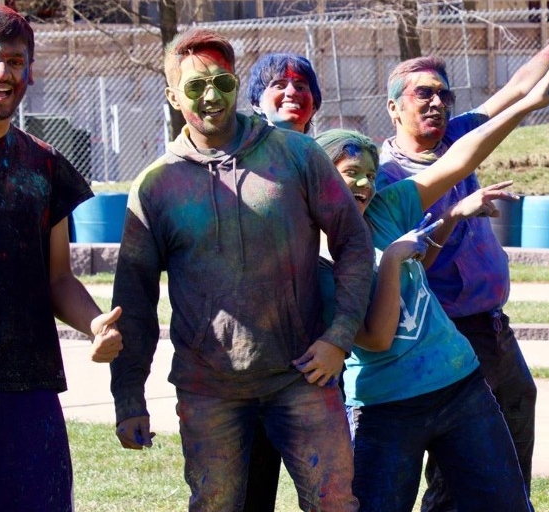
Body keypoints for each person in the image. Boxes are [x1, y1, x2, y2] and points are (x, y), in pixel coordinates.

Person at [109, 27, 373, 511]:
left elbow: (354, 242)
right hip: (208, 390)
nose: (211, 96)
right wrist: (129, 397)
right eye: (194, 87)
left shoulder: (295, 155)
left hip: (303, 378)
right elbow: (134, 300)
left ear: (235, 82)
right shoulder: (156, 187)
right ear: (171, 96)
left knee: (334, 503)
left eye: (222, 83)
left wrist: (339, 337)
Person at [373, 2, 549, 509]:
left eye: (443, 94)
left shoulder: (457, 136)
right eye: (421, 94)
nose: (436, 103)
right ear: (393, 107)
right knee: (458, 459)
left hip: (493, 325)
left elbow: (519, 85)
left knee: (516, 412)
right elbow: (410, 266)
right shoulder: (388, 178)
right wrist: (456, 215)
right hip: (445, 333)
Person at [320, 53, 549, 512]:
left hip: (460, 383)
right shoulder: (314, 260)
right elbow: (376, 337)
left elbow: (459, 159)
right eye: (350, 174)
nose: (364, 185)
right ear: (319, 181)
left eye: (370, 176)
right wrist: (392, 260)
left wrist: (528, 107)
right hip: (386, 407)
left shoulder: (386, 208)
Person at [0, 5, 123, 510]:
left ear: (29, 70)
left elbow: (59, 279)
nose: (1, 73)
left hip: (28, 390)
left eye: (15, 61)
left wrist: (96, 326)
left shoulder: (44, 163)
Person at [242, 50, 325, 512]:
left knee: (327, 491)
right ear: (256, 100)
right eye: (279, 85)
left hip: (313, 354)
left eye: (302, 86)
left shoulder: (331, 157)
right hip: (245, 359)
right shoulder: (233, 157)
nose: (292, 91)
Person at [248, 52, 321, 134]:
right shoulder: (246, 146)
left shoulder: (316, 147)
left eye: (300, 87)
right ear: (257, 104)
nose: (292, 92)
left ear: (313, 106)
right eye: (279, 87)